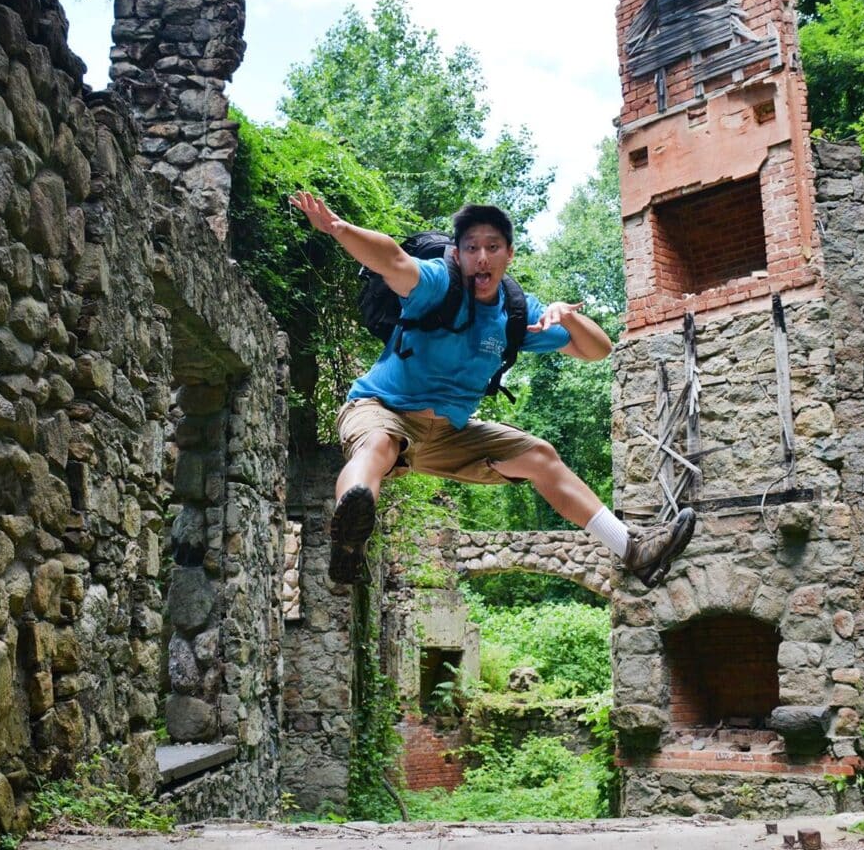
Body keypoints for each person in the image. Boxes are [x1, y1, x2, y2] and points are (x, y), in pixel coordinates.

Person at [289, 191, 695, 588]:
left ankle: (632, 550)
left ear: (509, 254)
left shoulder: (518, 311)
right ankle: (348, 540)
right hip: (383, 408)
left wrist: (565, 318)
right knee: (378, 444)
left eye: (493, 247)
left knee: (541, 456)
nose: (482, 257)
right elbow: (392, 259)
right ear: (458, 254)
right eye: (472, 248)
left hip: (449, 434)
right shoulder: (436, 284)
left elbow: (598, 349)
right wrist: (339, 229)